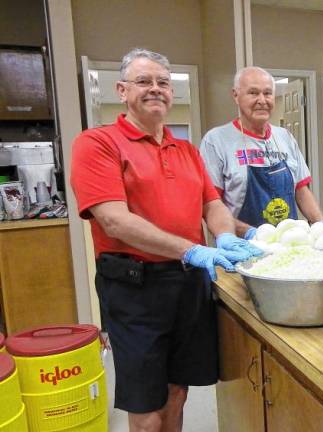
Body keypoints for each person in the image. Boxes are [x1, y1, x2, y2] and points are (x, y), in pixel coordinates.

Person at [70, 48, 260, 432]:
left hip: (188, 284)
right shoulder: (98, 144)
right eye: (144, 81)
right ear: (122, 90)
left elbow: (212, 204)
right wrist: (191, 248)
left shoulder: (186, 150)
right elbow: (114, 221)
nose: (155, 89)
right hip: (134, 288)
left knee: (178, 391)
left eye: (163, 83)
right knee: (146, 407)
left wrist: (224, 236)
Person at [200, 66, 323, 239]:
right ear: (236, 95)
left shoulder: (285, 137)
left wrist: (322, 226)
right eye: (253, 93)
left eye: (267, 93)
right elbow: (210, 206)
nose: (262, 100)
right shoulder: (216, 141)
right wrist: (253, 234)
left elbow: (301, 190)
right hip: (243, 247)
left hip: (289, 246)